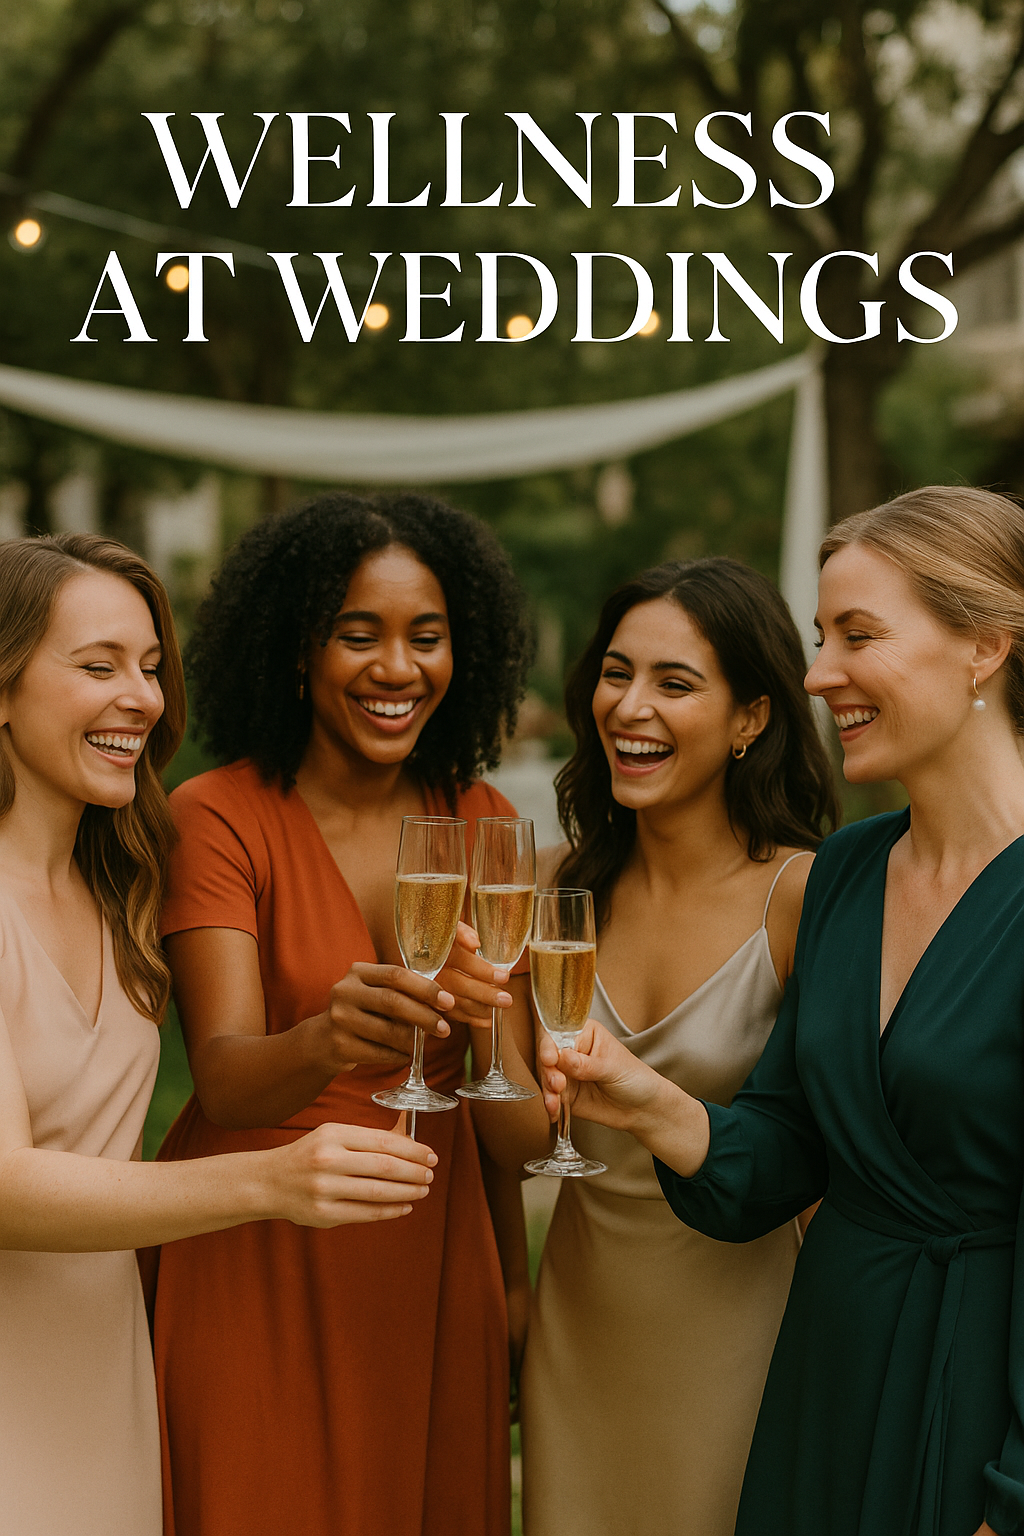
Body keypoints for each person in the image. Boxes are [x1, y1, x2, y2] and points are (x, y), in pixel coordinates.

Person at [541, 485, 1024, 1536]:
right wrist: (641, 1098)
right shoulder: (848, 873)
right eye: (818, 638)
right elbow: (788, 1147)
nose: (816, 675)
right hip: (827, 1375)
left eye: (858, 635)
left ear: (983, 646)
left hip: (985, 1389)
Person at [0, 532, 435, 1536]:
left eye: (151, 668)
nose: (144, 699)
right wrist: (273, 1183)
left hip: (102, 1366)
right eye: (98, 666)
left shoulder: (120, 891)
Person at [145, 491, 550, 1536]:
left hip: (431, 1261)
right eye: (356, 635)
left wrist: (506, 1287)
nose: (397, 669)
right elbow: (226, 1077)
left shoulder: (483, 819)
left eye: (427, 636)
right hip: (258, 1249)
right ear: (296, 652)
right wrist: (328, 1037)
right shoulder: (219, 816)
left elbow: (517, 1133)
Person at [519, 557, 838, 1536]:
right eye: (617, 674)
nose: (630, 707)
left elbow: (831, 1163)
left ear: (750, 718)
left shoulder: (804, 898)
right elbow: (514, 1145)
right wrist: (485, 1016)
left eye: (674, 682)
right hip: (576, 1328)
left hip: (743, 1337)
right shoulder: (542, 888)